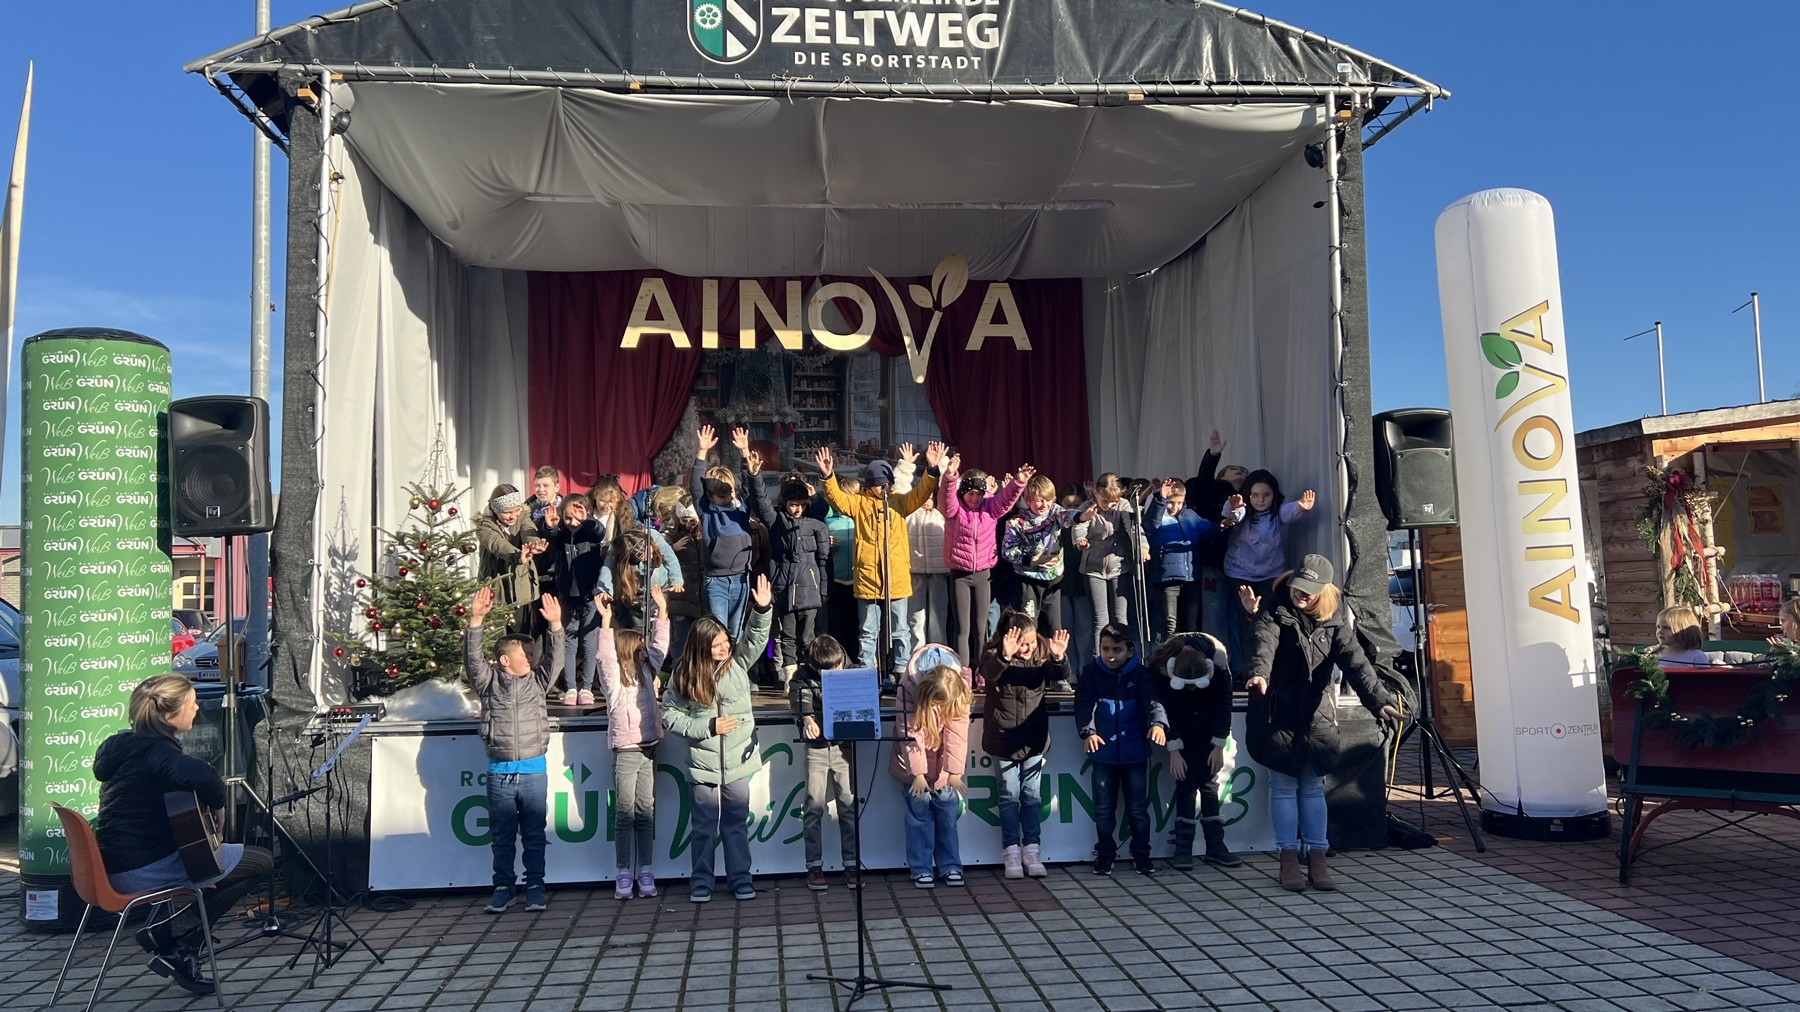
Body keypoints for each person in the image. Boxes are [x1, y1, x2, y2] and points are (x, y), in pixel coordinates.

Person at [92, 675, 276, 996]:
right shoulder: (158, 751)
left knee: (219, 865)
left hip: (119, 863)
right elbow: (199, 773)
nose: (197, 708)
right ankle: (177, 944)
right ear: (168, 715)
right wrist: (219, 806)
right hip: (142, 869)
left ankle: (170, 936)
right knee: (260, 862)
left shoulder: (123, 745)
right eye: (191, 702)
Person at [1242, 556, 1398, 892]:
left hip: (1317, 718)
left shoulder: (1335, 622)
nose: (1299, 593)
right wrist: (1258, 675)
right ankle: (1287, 858)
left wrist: (1380, 701)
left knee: (1313, 787)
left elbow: (1357, 664)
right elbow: (1262, 645)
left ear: (1323, 592)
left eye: (1308, 590)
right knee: (1283, 786)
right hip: (1277, 714)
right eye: (1297, 586)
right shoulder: (1274, 611)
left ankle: (1317, 856)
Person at [662, 574, 775, 902]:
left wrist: (762, 609)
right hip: (703, 765)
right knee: (703, 826)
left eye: (725, 641)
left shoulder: (736, 664)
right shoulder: (684, 674)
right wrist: (708, 727)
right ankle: (701, 882)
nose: (724, 647)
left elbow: (755, 638)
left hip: (738, 761)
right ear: (701, 647)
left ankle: (741, 880)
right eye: (717, 644)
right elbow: (670, 716)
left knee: (736, 824)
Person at [464, 587, 565, 912]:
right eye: (525, 654)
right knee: (502, 836)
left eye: (532, 654)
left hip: (534, 772)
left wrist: (556, 625)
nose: (531, 658)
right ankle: (504, 887)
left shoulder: (538, 682)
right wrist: (476, 619)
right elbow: (473, 660)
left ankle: (535, 886)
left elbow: (555, 660)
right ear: (505, 660)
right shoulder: (488, 683)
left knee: (534, 835)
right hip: (500, 774)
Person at [814, 441, 944, 689]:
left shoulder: (899, 502)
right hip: (869, 580)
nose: (883, 487)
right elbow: (836, 498)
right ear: (869, 484)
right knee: (867, 631)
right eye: (877, 484)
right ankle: (867, 673)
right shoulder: (859, 503)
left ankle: (901, 672)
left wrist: (931, 470)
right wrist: (828, 476)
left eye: (886, 483)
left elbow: (922, 492)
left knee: (900, 630)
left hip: (896, 578)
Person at [979, 610, 1072, 879]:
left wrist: (1059, 657)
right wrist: (1004, 656)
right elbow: (988, 672)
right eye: (1023, 644)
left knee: (1031, 797)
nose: (1029, 648)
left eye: (1031, 642)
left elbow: (1058, 673)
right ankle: (1011, 852)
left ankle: (1032, 851)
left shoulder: (1040, 654)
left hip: (1033, 739)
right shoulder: (994, 655)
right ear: (1009, 639)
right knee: (1009, 797)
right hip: (1003, 739)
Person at [1075, 624, 1167, 876]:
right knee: (1104, 810)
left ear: (1130, 650)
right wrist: (1088, 732)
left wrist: (1158, 724)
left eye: (1117, 650)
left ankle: (1142, 856)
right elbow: (1084, 705)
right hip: (1103, 755)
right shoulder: (1091, 673)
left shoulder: (1142, 674)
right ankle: (1105, 856)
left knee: (1138, 810)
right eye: (1105, 649)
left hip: (1135, 754)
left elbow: (1153, 701)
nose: (1110, 655)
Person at [595, 586, 669, 900]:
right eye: (639, 646)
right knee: (625, 813)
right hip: (626, 751)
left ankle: (646, 870)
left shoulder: (648, 670)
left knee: (646, 811)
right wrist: (605, 621)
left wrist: (662, 610)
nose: (644, 650)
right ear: (628, 649)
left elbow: (660, 645)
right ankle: (624, 872)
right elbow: (605, 657)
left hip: (649, 747)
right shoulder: (614, 679)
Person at [742, 446, 831, 689]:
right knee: (787, 637)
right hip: (785, 590)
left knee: (808, 638)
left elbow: (823, 560)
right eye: (793, 504)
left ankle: (810, 676)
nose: (797, 509)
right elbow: (760, 502)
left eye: (801, 504)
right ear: (785, 502)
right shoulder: (777, 522)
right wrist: (754, 475)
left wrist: (824, 589)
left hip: (810, 591)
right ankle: (790, 678)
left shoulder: (816, 524)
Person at [1150, 631, 1239, 870]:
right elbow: (1167, 708)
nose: (1192, 691)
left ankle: (1215, 846)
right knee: (1186, 784)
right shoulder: (1161, 669)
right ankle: (1183, 848)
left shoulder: (1220, 668)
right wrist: (1174, 749)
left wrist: (1218, 745)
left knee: (1209, 784)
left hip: (1209, 730)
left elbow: (1224, 706)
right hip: (1182, 728)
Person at [1221, 468, 1316, 679]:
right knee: (1244, 622)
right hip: (1239, 573)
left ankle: (1267, 669)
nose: (1260, 500)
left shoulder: (1277, 512)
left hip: (1270, 575)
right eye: (1255, 495)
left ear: (1274, 495)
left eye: (1266, 495)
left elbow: (1290, 512)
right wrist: (1233, 507)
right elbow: (1232, 515)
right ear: (1248, 495)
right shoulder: (1244, 510)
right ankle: (1247, 670)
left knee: (1267, 620)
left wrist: (1302, 508)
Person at [892, 651, 972, 889]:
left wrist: (954, 772)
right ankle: (921, 868)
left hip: (944, 771)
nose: (942, 709)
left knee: (948, 818)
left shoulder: (958, 689)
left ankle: (950, 866)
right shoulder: (908, 688)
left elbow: (958, 734)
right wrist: (917, 774)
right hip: (913, 766)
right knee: (918, 819)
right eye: (938, 704)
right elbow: (910, 735)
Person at [788, 634, 861, 890]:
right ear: (813, 666)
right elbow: (799, 699)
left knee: (848, 805)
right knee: (813, 806)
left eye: (836, 667)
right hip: (816, 748)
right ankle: (814, 866)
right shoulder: (802, 676)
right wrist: (807, 718)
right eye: (824, 671)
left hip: (844, 747)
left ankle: (851, 863)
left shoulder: (852, 671)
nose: (832, 674)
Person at [939, 456, 1027, 666]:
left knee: (981, 628)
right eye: (971, 493)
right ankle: (963, 670)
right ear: (963, 492)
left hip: (983, 575)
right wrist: (950, 476)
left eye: (979, 494)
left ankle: (983, 670)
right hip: (959, 575)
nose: (975, 498)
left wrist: (1019, 481)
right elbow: (946, 499)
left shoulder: (990, 508)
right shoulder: (955, 509)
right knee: (963, 629)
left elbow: (1006, 499)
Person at [691, 424, 758, 637]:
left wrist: (745, 452)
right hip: (716, 581)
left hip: (741, 578)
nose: (728, 498)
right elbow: (696, 488)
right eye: (722, 496)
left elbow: (751, 485)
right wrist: (702, 451)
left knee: (736, 633)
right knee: (718, 632)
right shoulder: (707, 511)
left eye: (730, 493)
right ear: (710, 496)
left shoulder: (741, 507)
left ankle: (734, 659)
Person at [1073, 474, 1148, 658]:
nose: (1108, 506)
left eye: (1112, 502)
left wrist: (1142, 547)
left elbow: (1133, 527)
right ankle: (1099, 660)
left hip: (1119, 568)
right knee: (1101, 620)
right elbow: (1079, 525)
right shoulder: (1088, 506)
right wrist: (1080, 540)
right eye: (1104, 501)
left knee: (1120, 618)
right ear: (1096, 493)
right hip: (1093, 569)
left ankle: (1123, 657)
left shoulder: (1123, 505)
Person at [544, 492, 607, 705]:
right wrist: (551, 526)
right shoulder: (562, 534)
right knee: (569, 642)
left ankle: (587, 687)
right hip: (568, 596)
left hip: (589, 595)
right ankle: (570, 687)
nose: (572, 523)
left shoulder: (589, 533)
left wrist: (587, 520)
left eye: (576, 518)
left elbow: (600, 532)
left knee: (589, 642)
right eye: (567, 518)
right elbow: (550, 535)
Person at [1001, 473, 1079, 646]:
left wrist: (1082, 516)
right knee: (1028, 628)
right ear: (1028, 500)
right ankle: (1029, 660)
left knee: (1054, 630)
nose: (1044, 505)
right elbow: (1007, 551)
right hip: (1028, 581)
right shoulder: (1016, 522)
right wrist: (1031, 560)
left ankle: (1055, 660)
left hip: (1052, 580)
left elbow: (1068, 516)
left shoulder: (1055, 513)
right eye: (1039, 500)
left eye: (1048, 500)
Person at [1187, 430, 1248, 640]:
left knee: (1236, 617)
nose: (1240, 470)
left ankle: (1236, 659)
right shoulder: (1214, 490)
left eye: (1243, 470)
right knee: (1214, 615)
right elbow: (1203, 481)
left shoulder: (1251, 496)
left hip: (1241, 566)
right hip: (1214, 561)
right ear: (1221, 476)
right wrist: (1213, 457)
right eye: (1233, 468)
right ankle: (1218, 657)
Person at [1144, 477, 1217, 643]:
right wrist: (1160, 499)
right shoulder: (1158, 514)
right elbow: (1149, 526)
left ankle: (1191, 654)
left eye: (1179, 503)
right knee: (1170, 624)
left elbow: (1208, 532)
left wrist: (1224, 523)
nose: (1174, 507)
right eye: (1171, 502)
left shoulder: (1191, 515)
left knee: (1191, 623)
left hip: (1191, 578)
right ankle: (1170, 655)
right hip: (1167, 579)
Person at [477, 483, 549, 635]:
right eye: (507, 512)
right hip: (496, 586)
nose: (513, 516)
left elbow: (528, 532)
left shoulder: (522, 516)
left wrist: (534, 545)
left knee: (521, 633)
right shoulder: (484, 525)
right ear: (496, 510)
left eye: (517, 510)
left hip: (520, 584)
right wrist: (517, 555)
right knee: (496, 635)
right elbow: (497, 544)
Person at [906, 495, 952, 653]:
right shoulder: (910, 516)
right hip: (915, 571)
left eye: (930, 497)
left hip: (939, 572)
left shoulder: (941, 515)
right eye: (923, 496)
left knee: (938, 617)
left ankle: (938, 653)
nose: (926, 500)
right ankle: (916, 654)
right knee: (915, 617)